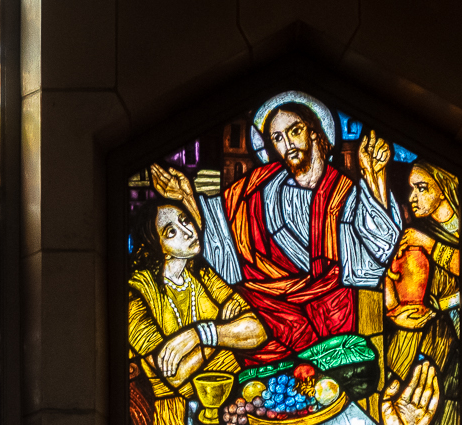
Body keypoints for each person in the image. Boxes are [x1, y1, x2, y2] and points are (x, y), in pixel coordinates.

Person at [149, 97, 400, 357]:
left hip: (333, 317)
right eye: (278, 138)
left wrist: (375, 177)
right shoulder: (259, 187)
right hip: (269, 311)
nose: (288, 143)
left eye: (294, 131)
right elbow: (222, 237)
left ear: (314, 132)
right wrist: (186, 195)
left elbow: (374, 260)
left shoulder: (344, 193)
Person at [126, 194, 269, 425]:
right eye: (171, 231)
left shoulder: (201, 273)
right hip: (179, 422)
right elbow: (174, 375)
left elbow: (256, 331)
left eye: (185, 220)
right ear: (157, 246)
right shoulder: (135, 293)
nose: (188, 231)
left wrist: (199, 334)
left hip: (236, 405)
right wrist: (222, 333)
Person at [383, 162, 461, 425]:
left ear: (445, 188)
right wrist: (392, 303)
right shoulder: (416, 231)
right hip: (431, 330)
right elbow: (396, 279)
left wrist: (430, 245)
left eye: (422, 188)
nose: (412, 197)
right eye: (411, 189)